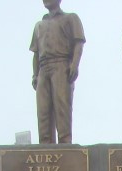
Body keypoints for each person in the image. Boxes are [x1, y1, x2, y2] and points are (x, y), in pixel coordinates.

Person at [30, 0, 85, 144]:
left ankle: (65, 144)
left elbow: (79, 43)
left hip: (61, 64)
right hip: (43, 68)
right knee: (43, 110)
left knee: (62, 107)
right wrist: (35, 74)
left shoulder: (70, 18)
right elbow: (36, 53)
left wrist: (74, 64)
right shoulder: (39, 25)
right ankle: (45, 146)